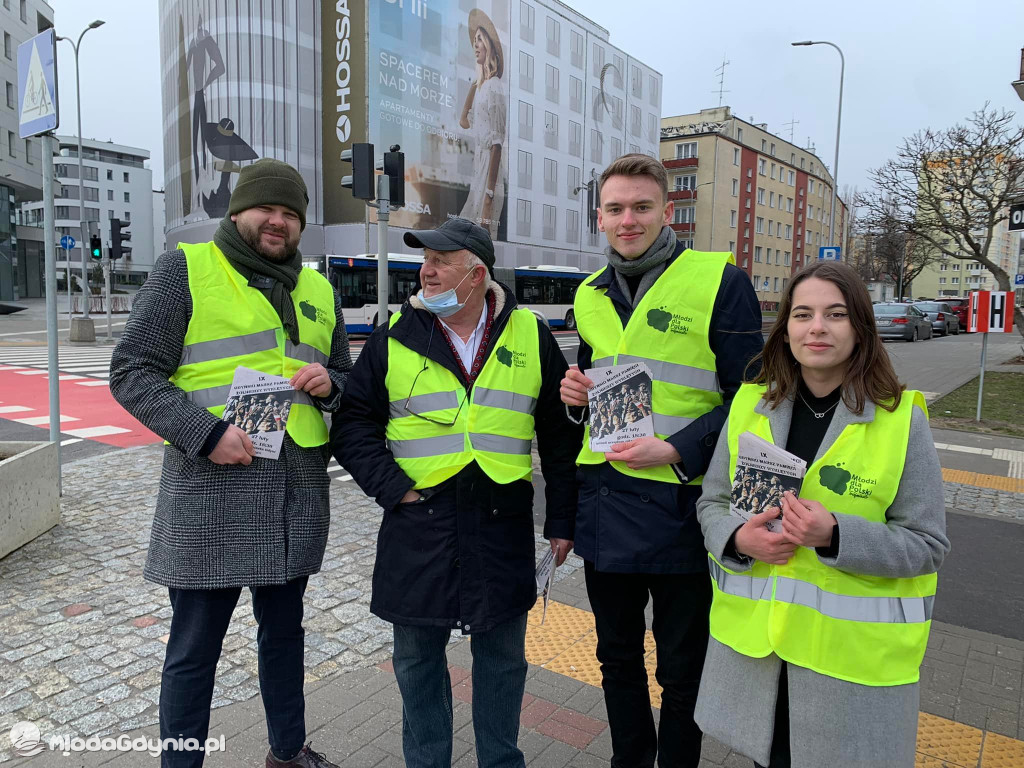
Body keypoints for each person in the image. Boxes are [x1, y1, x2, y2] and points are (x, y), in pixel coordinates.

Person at [109, 158, 351, 768]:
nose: (279, 221)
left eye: (291, 214)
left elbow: (350, 380)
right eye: (267, 209)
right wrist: (205, 431)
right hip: (210, 492)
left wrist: (332, 385)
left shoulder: (319, 289)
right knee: (194, 652)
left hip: (294, 493)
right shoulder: (186, 270)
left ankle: (287, 752)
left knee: (285, 638)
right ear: (236, 211)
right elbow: (131, 373)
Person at [332, 217, 581, 768]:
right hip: (420, 523)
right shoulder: (393, 337)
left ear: (477, 274)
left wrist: (562, 520)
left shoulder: (530, 335)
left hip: (501, 523)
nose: (427, 271)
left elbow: (560, 438)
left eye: (441, 261)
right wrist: (395, 491)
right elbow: (353, 427)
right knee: (417, 661)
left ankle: (500, 762)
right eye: (426, 261)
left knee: (503, 660)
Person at [694, 260, 950, 768]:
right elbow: (712, 503)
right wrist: (738, 541)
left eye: (835, 314)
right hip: (759, 660)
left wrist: (834, 535)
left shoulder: (901, 418)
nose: (816, 327)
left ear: (860, 328)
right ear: (785, 328)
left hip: (848, 667)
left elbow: (927, 545)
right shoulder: (752, 405)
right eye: (802, 314)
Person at [559, 153, 763, 768]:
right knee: (616, 660)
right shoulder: (589, 293)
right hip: (605, 506)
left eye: (641, 207)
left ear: (666, 211)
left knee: (682, 669)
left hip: (683, 507)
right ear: (599, 217)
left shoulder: (721, 282)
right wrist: (576, 399)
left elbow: (751, 400)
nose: (629, 220)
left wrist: (676, 448)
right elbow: (595, 384)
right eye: (616, 209)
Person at [458, 8, 506, 240]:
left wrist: (489, 193)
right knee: (468, 237)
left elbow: (497, 144)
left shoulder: (495, 86)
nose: (475, 45)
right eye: (474, 40)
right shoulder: (482, 88)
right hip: (479, 171)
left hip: (489, 174)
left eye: (480, 40)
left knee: (479, 239)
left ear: (489, 46)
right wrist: (476, 82)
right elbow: (463, 120)